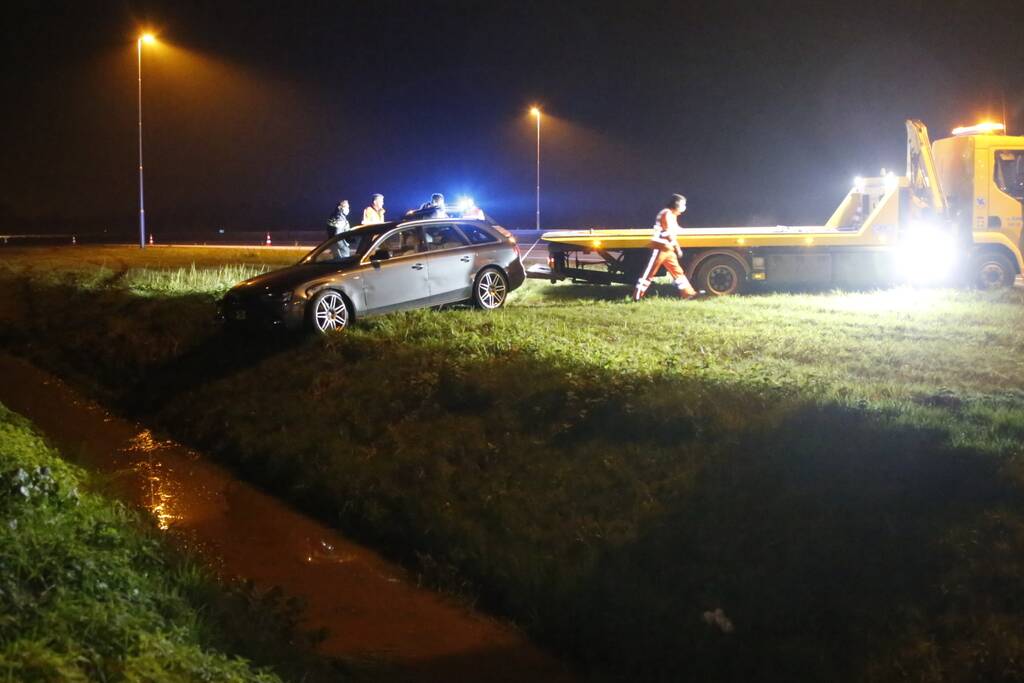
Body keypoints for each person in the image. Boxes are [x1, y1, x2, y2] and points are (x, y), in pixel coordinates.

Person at [632, 194, 697, 301]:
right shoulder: (666, 213)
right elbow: (667, 233)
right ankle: (637, 297)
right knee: (649, 273)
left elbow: (676, 229)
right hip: (660, 248)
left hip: (668, 249)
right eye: (683, 204)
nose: (684, 207)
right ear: (676, 204)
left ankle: (688, 294)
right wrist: (677, 248)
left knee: (678, 272)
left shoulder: (672, 215)